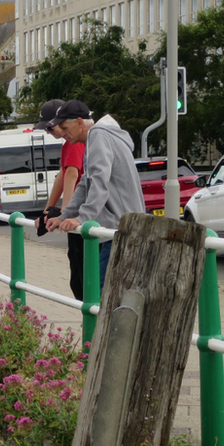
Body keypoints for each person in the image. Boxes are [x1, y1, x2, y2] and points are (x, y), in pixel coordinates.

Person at [45, 100, 145, 289]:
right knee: (106, 293)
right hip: (122, 228)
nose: (63, 133)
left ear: (80, 122)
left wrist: (83, 217)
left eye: (65, 127)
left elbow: (99, 180)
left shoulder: (98, 135)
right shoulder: (97, 137)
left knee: (99, 293)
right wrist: (65, 215)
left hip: (119, 229)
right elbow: (85, 183)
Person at [33, 99, 87, 300]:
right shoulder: (67, 144)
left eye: (50, 127)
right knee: (77, 273)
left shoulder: (74, 143)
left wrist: (65, 212)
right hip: (76, 210)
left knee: (81, 276)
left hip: (81, 212)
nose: (49, 132)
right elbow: (62, 176)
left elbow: (72, 174)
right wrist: (47, 210)